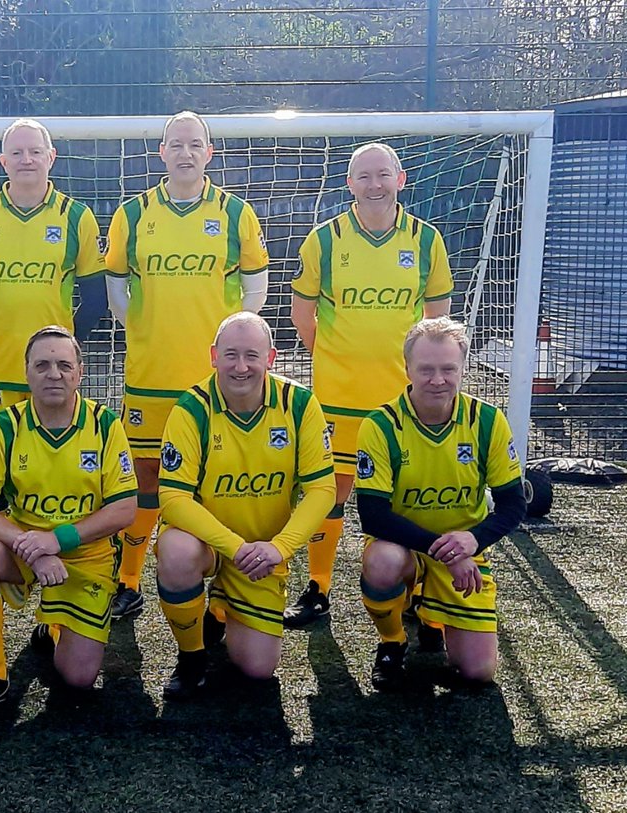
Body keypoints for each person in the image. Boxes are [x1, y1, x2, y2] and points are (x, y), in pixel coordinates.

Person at [105, 110, 270, 620]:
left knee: (215, 481)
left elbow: (253, 296)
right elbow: (118, 299)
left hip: (213, 381)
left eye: (194, 144)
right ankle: (129, 578)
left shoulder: (236, 213)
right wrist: (153, 333)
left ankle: (222, 585)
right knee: (146, 479)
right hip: (150, 376)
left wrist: (226, 353)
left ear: (209, 152)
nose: (185, 152)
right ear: (161, 152)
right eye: (175, 144)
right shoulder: (132, 214)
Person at [284, 142, 453, 630]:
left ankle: (420, 590)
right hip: (338, 395)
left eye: (383, 174)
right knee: (329, 490)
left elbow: (435, 324)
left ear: (400, 179)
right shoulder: (325, 239)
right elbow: (303, 314)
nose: (374, 184)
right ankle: (318, 587)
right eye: (363, 176)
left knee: (409, 494)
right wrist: (339, 356)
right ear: (349, 183)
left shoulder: (426, 240)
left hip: (403, 398)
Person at [0, 326, 137, 715]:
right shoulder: (4, 426)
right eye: (43, 365)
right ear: (27, 373)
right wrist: (32, 547)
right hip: (26, 547)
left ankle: (53, 624)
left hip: (86, 556)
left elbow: (124, 510)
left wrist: (58, 541)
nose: (54, 374)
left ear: (79, 373)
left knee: (77, 678)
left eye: (64, 365)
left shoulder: (105, 425)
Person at [155, 313, 334, 697]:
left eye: (251, 355)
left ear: (271, 358)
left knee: (258, 669)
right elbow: (172, 498)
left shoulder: (299, 404)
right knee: (175, 550)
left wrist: (278, 548)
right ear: (213, 356)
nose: (241, 366)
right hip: (211, 546)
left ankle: (219, 607)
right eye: (230, 355)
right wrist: (234, 549)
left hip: (263, 555)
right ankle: (191, 656)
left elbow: (323, 490)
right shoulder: (192, 408)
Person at [356, 317, 525, 691]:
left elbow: (513, 505)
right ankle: (392, 641)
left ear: (463, 368)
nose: (437, 379)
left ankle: (430, 612)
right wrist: (449, 551)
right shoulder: (380, 425)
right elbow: (372, 515)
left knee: (478, 672)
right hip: (407, 547)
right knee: (382, 562)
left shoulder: (487, 422)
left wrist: (473, 540)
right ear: (407, 369)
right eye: (426, 369)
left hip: (462, 549)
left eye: (448, 369)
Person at [0, 118, 107, 436]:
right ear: (3, 161)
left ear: (51, 157)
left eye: (35, 152)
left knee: (52, 457)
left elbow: (95, 299)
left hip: (54, 373)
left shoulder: (76, 217)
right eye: (18, 152)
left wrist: (62, 346)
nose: (27, 160)